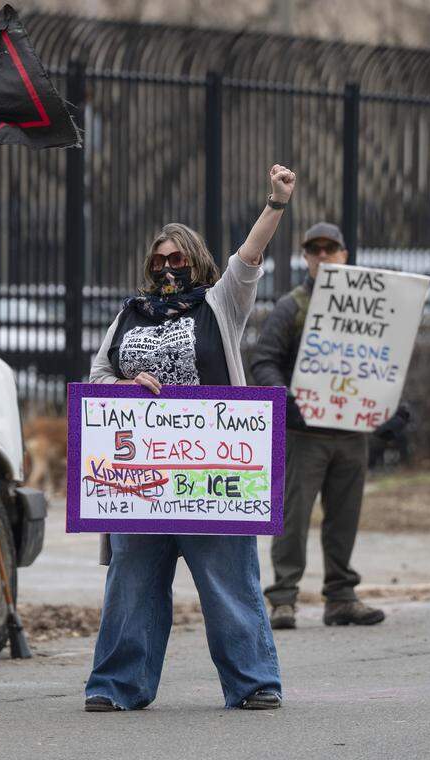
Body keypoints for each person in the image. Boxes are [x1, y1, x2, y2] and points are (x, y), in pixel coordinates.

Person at [83, 164, 296, 712]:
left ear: (195, 261)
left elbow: (247, 261)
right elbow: (98, 377)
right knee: (131, 585)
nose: (167, 266)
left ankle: (253, 682)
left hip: (209, 475)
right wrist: (129, 386)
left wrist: (274, 204)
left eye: (177, 258)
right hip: (142, 480)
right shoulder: (129, 314)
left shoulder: (218, 305)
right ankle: (116, 686)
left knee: (228, 583)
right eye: (159, 259)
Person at [250, 222, 385, 630]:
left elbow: (384, 362)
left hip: (351, 432)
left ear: (345, 254)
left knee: (345, 517)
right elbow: (263, 360)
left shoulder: (371, 305)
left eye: (331, 249)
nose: (323, 257)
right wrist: (284, 398)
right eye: (314, 251)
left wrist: (392, 407)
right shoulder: (291, 306)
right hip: (305, 433)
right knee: (293, 516)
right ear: (306, 258)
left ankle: (341, 596)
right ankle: (284, 599)